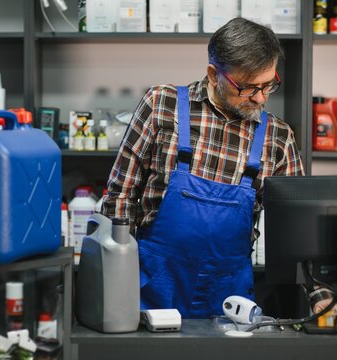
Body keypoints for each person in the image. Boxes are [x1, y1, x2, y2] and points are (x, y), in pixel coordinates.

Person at [101, 17, 304, 319]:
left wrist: (320, 291)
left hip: (229, 297)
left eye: (268, 84)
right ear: (213, 74)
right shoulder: (161, 106)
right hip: (153, 285)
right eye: (248, 88)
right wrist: (116, 283)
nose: (261, 98)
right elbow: (120, 198)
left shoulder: (278, 137)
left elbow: (298, 228)